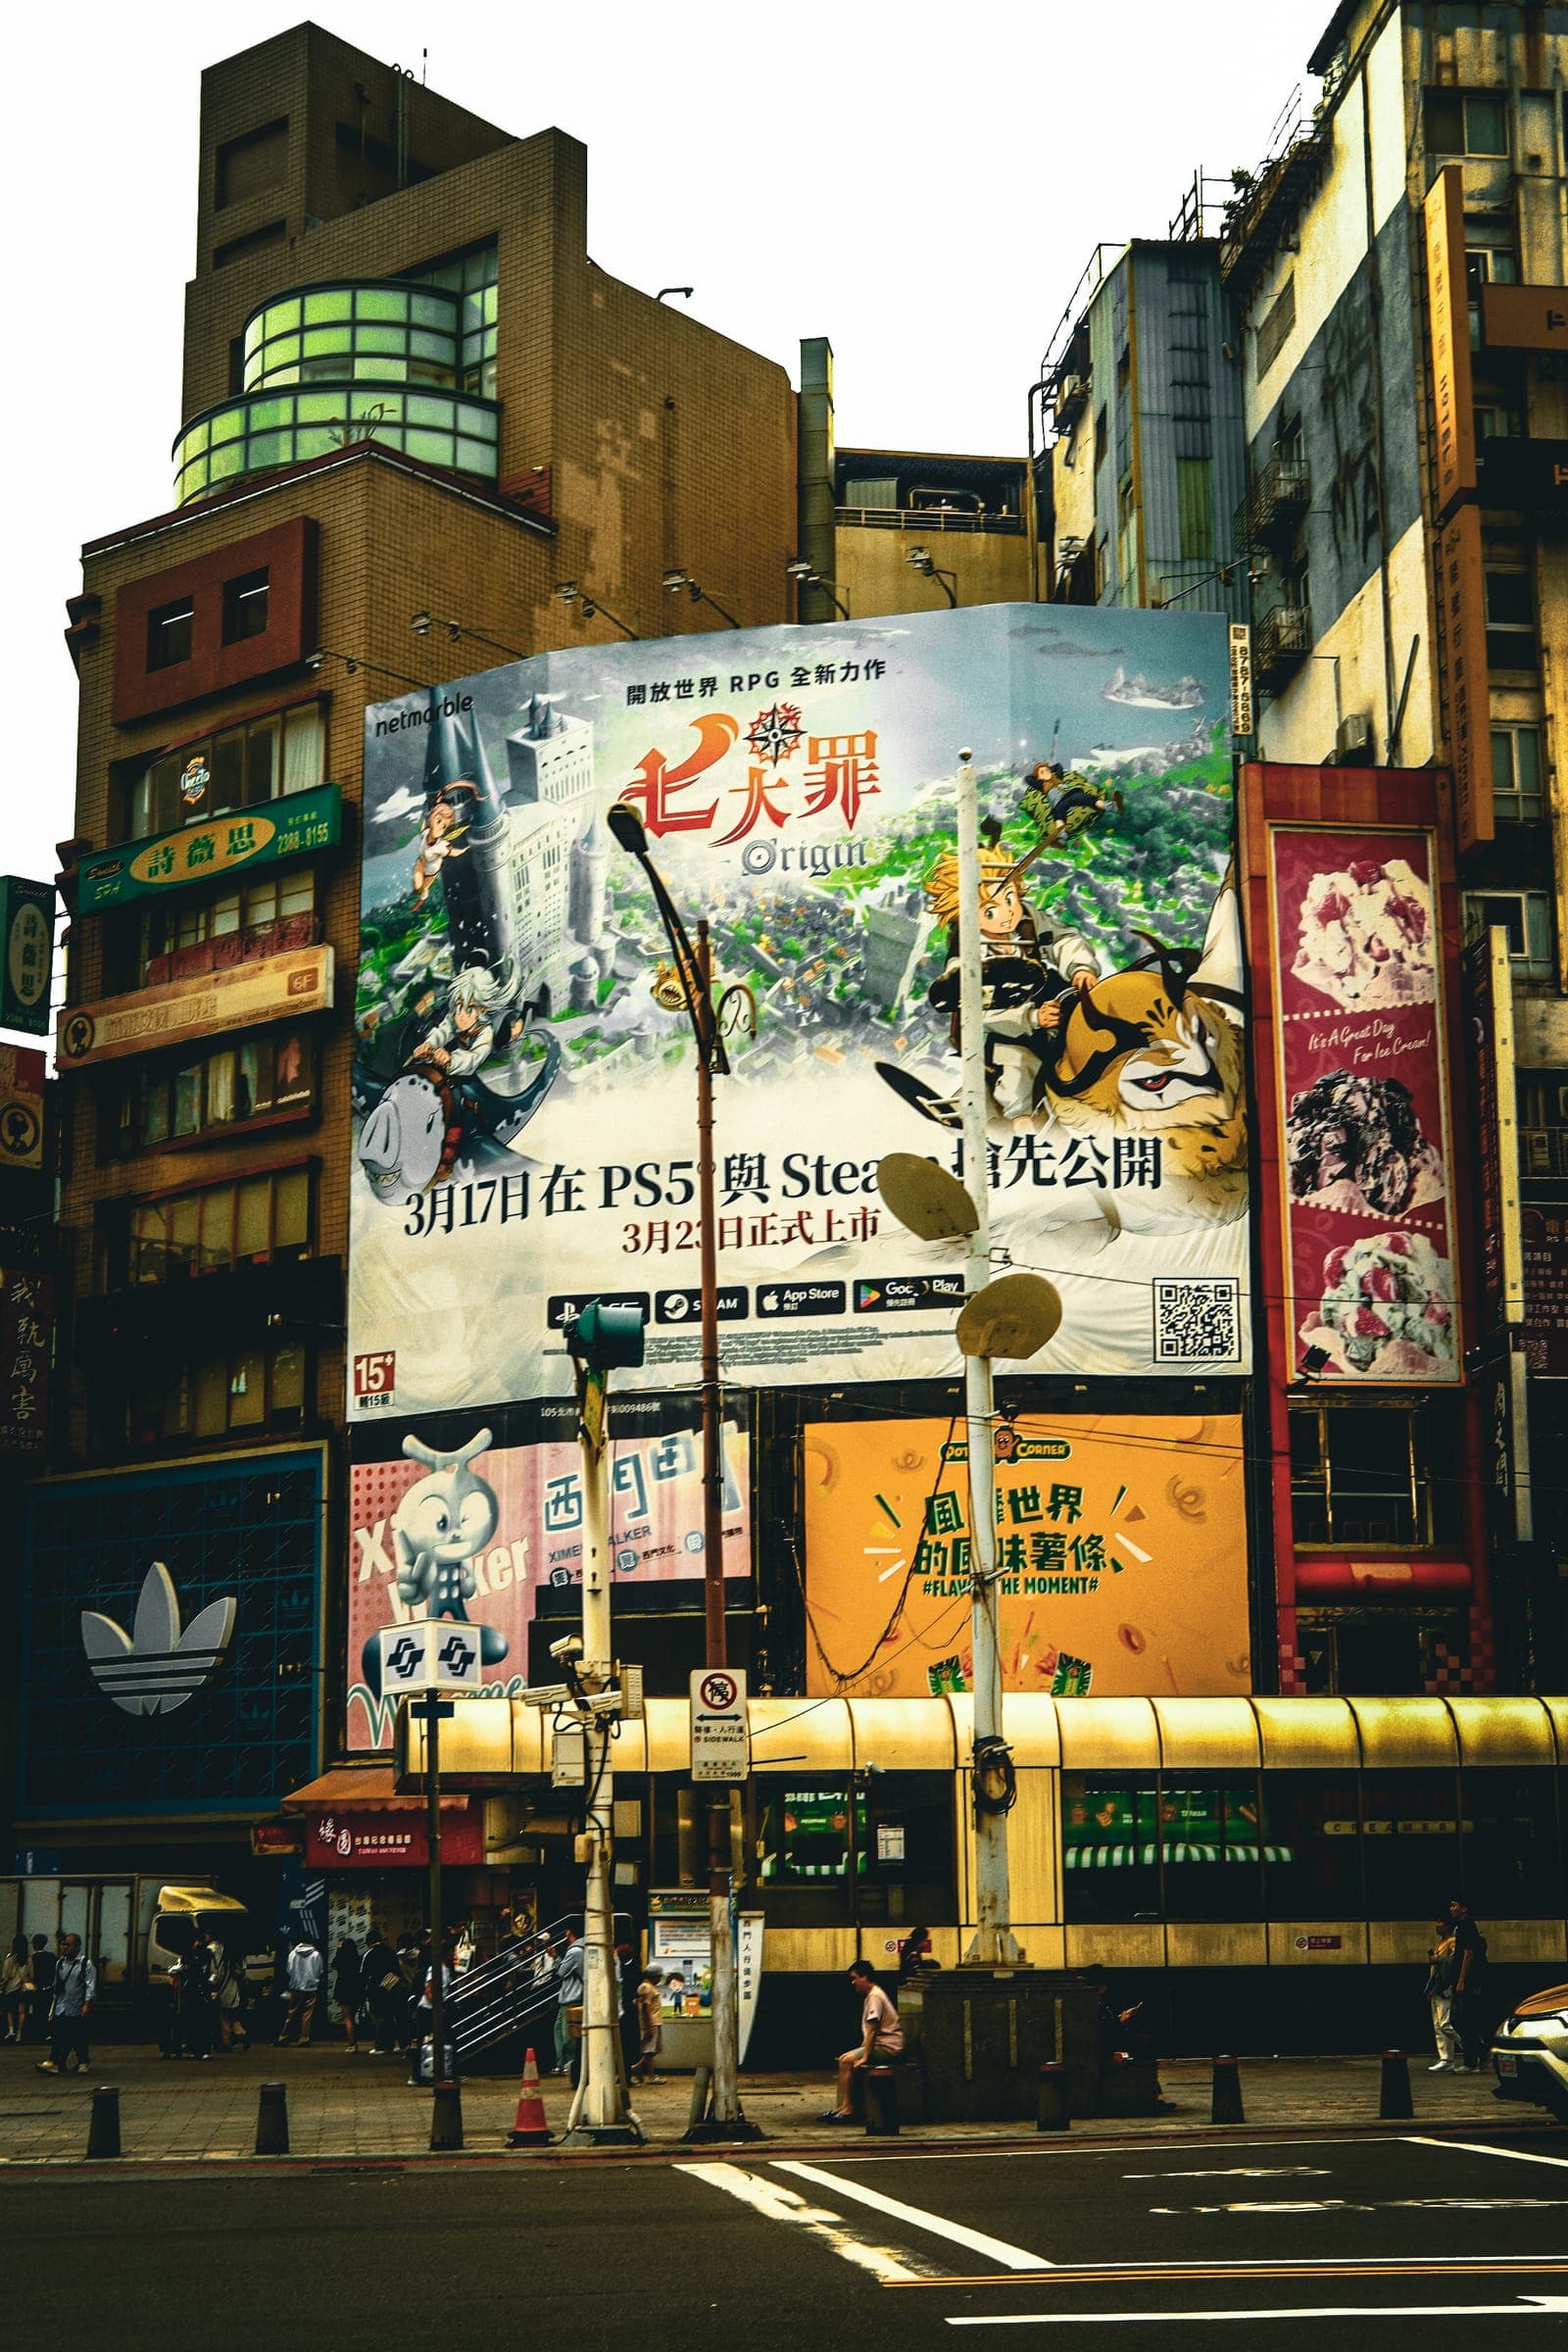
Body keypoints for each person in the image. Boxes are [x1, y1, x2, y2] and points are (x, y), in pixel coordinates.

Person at [821, 1960, 904, 2123]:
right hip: (881, 2045)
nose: (853, 1983)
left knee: (846, 2061)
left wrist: (864, 2056)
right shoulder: (874, 1994)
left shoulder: (874, 1997)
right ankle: (844, 2106)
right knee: (844, 2059)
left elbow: (873, 2030)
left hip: (887, 2047)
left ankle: (848, 2107)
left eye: (855, 1978)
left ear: (865, 1977)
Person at [36, 1932, 95, 2076]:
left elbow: (90, 1986)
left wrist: (86, 2004)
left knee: (77, 2036)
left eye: (68, 1945)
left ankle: (81, 2061)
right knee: (59, 2033)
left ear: (77, 1947)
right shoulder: (60, 1963)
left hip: (77, 2006)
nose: (64, 1947)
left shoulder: (85, 1964)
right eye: (63, 1944)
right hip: (62, 2006)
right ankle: (56, 2061)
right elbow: (57, 1984)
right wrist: (54, 2004)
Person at [1446, 1893, 1488, 2072]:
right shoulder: (1461, 1926)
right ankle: (1480, 2052)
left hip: (1468, 1980)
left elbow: (1468, 1954)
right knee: (1460, 2019)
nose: (1451, 1908)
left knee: (1464, 2019)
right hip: (1461, 1979)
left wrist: (1462, 1980)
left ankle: (1472, 2060)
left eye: (1454, 1905)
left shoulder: (1466, 1926)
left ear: (1464, 1908)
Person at [1424, 1918, 1461, 2072]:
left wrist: (1438, 1959)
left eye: (1441, 1922)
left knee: (1445, 2024)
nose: (1437, 1925)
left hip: (1445, 1986)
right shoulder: (1440, 1942)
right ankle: (1445, 2058)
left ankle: (1472, 2047)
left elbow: (1454, 1962)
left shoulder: (1453, 1941)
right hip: (1436, 1986)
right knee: (1438, 2025)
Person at [359, 1924, 401, 2055]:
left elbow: (364, 1975)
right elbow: (397, 1971)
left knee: (379, 2019)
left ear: (369, 1942)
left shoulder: (369, 1955)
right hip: (391, 1989)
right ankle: (391, 2044)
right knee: (389, 2017)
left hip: (375, 1990)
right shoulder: (391, 1952)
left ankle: (380, 2046)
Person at [276, 1935, 323, 2047]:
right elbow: (319, 1971)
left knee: (292, 2013)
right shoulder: (316, 1954)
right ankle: (304, 2038)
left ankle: (284, 2037)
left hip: (296, 1987)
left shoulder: (293, 1953)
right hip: (311, 1987)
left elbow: (289, 1970)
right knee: (307, 2014)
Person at [554, 1924, 584, 2077]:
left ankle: (569, 2064)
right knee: (560, 2029)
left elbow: (561, 1971)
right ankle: (562, 2062)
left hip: (571, 1996)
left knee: (567, 2033)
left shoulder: (574, 1951)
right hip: (570, 1996)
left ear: (569, 1932)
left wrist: (558, 1960)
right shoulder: (582, 1949)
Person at [182, 1929, 217, 2060]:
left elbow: (212, 1971)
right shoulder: (204, 1953)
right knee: (200, 2020)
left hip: (196, 1990)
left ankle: (199, 2048)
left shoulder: (197, 1953)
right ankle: (199, 2048)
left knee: (198, 2020)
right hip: (199, 1990)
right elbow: (213, 1971)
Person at [633, 1966, 664, 2085]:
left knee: (649, 2050)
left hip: (652, 2021)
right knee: (649, 2051)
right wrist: (650, 2025)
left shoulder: (645, 1987)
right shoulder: (647, 1988)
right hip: (652, 2021)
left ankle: (640, 2072)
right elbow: (646, 2007)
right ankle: (640, 2071)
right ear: (655, 1976)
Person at [331, 1935, 364, 2053]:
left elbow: (333, 1964)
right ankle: (355, 2041)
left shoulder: (340, 1959)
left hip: (343, 1989)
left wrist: (339, 1950)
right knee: (353, 2017)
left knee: (347, 2018)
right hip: (355, 1989)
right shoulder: (358, 1959)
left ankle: (352, 2044)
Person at [25, 1935, 54, 2044]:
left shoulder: (31, 1958)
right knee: (47, 2012)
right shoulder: (51, 1957)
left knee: (36, 2011)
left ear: (34, 1944)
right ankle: (48, 2033)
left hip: (35, 1988)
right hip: (49, 1988)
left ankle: (36, 2034)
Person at [2, 1933, 30, 2041]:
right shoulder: (28, 1958)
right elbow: (31, 1974)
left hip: (11, 1988)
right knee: (22, 2011)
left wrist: (2, 1986)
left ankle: (11, 2030)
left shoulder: (10, 1958)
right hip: (23, 1988)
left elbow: (5, 1975)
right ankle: (19, 2034)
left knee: (9, 2009)